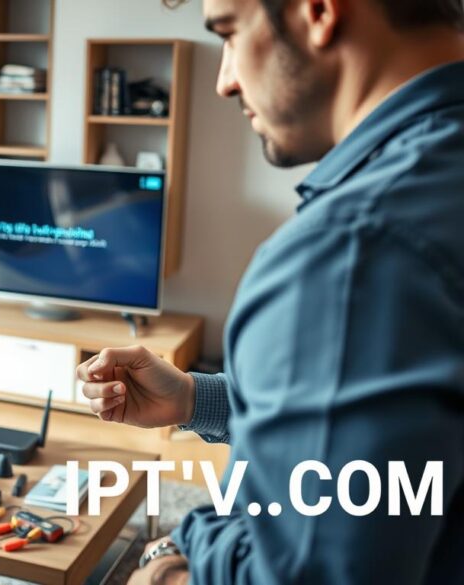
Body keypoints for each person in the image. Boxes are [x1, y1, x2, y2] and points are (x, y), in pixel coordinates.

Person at [79, 0, 464, 583]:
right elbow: (396, 441)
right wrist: (193, 399)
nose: (224, 80)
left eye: (230, 33)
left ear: (318, 11)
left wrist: (168, 563)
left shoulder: (351, 254)